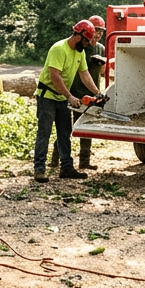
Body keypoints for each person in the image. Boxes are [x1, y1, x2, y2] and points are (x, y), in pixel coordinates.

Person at [34, 20, 102, 182]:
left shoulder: (79, 53)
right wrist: (70, 96)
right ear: (78, 36)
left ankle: (66, 167)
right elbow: (54, 76)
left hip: (62, 97)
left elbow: (84, 74)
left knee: (65, 132)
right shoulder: (59, 49)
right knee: (44, 132)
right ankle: (39, 169)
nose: (86, 45)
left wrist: (97, 92)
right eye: (86, 41)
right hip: (48, 97)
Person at [52, 15, 106, 171]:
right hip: (74, 92)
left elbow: (101, 73)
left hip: (90, 94)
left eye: (100, 33)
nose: (96, 36)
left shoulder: (100, 48)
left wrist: (103, 62)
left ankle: (84, 161)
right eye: (95, 31)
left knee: (86, 129)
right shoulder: (79, 46)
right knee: (66, 128)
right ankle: (56, 159)